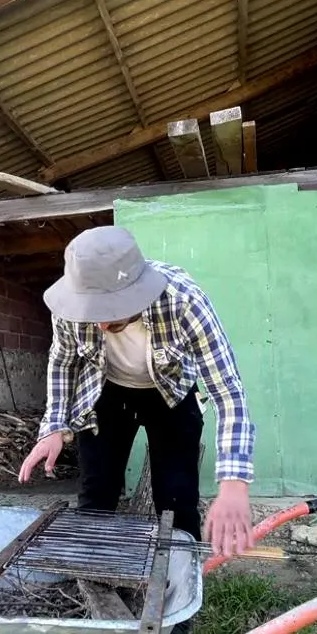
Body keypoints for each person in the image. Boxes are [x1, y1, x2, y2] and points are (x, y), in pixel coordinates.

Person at [17, 225, 255, 558]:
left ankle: (182, 575)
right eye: (92, 311)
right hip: (106, 392)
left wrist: (234, 483)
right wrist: (54, 426)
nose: (100, 325)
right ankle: (92, 572)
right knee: (96, 493)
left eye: (110, 312)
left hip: (172, 393)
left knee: (176, 497)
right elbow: (63, 361)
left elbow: (228, 391)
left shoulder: (185, 301)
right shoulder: (69, 307)